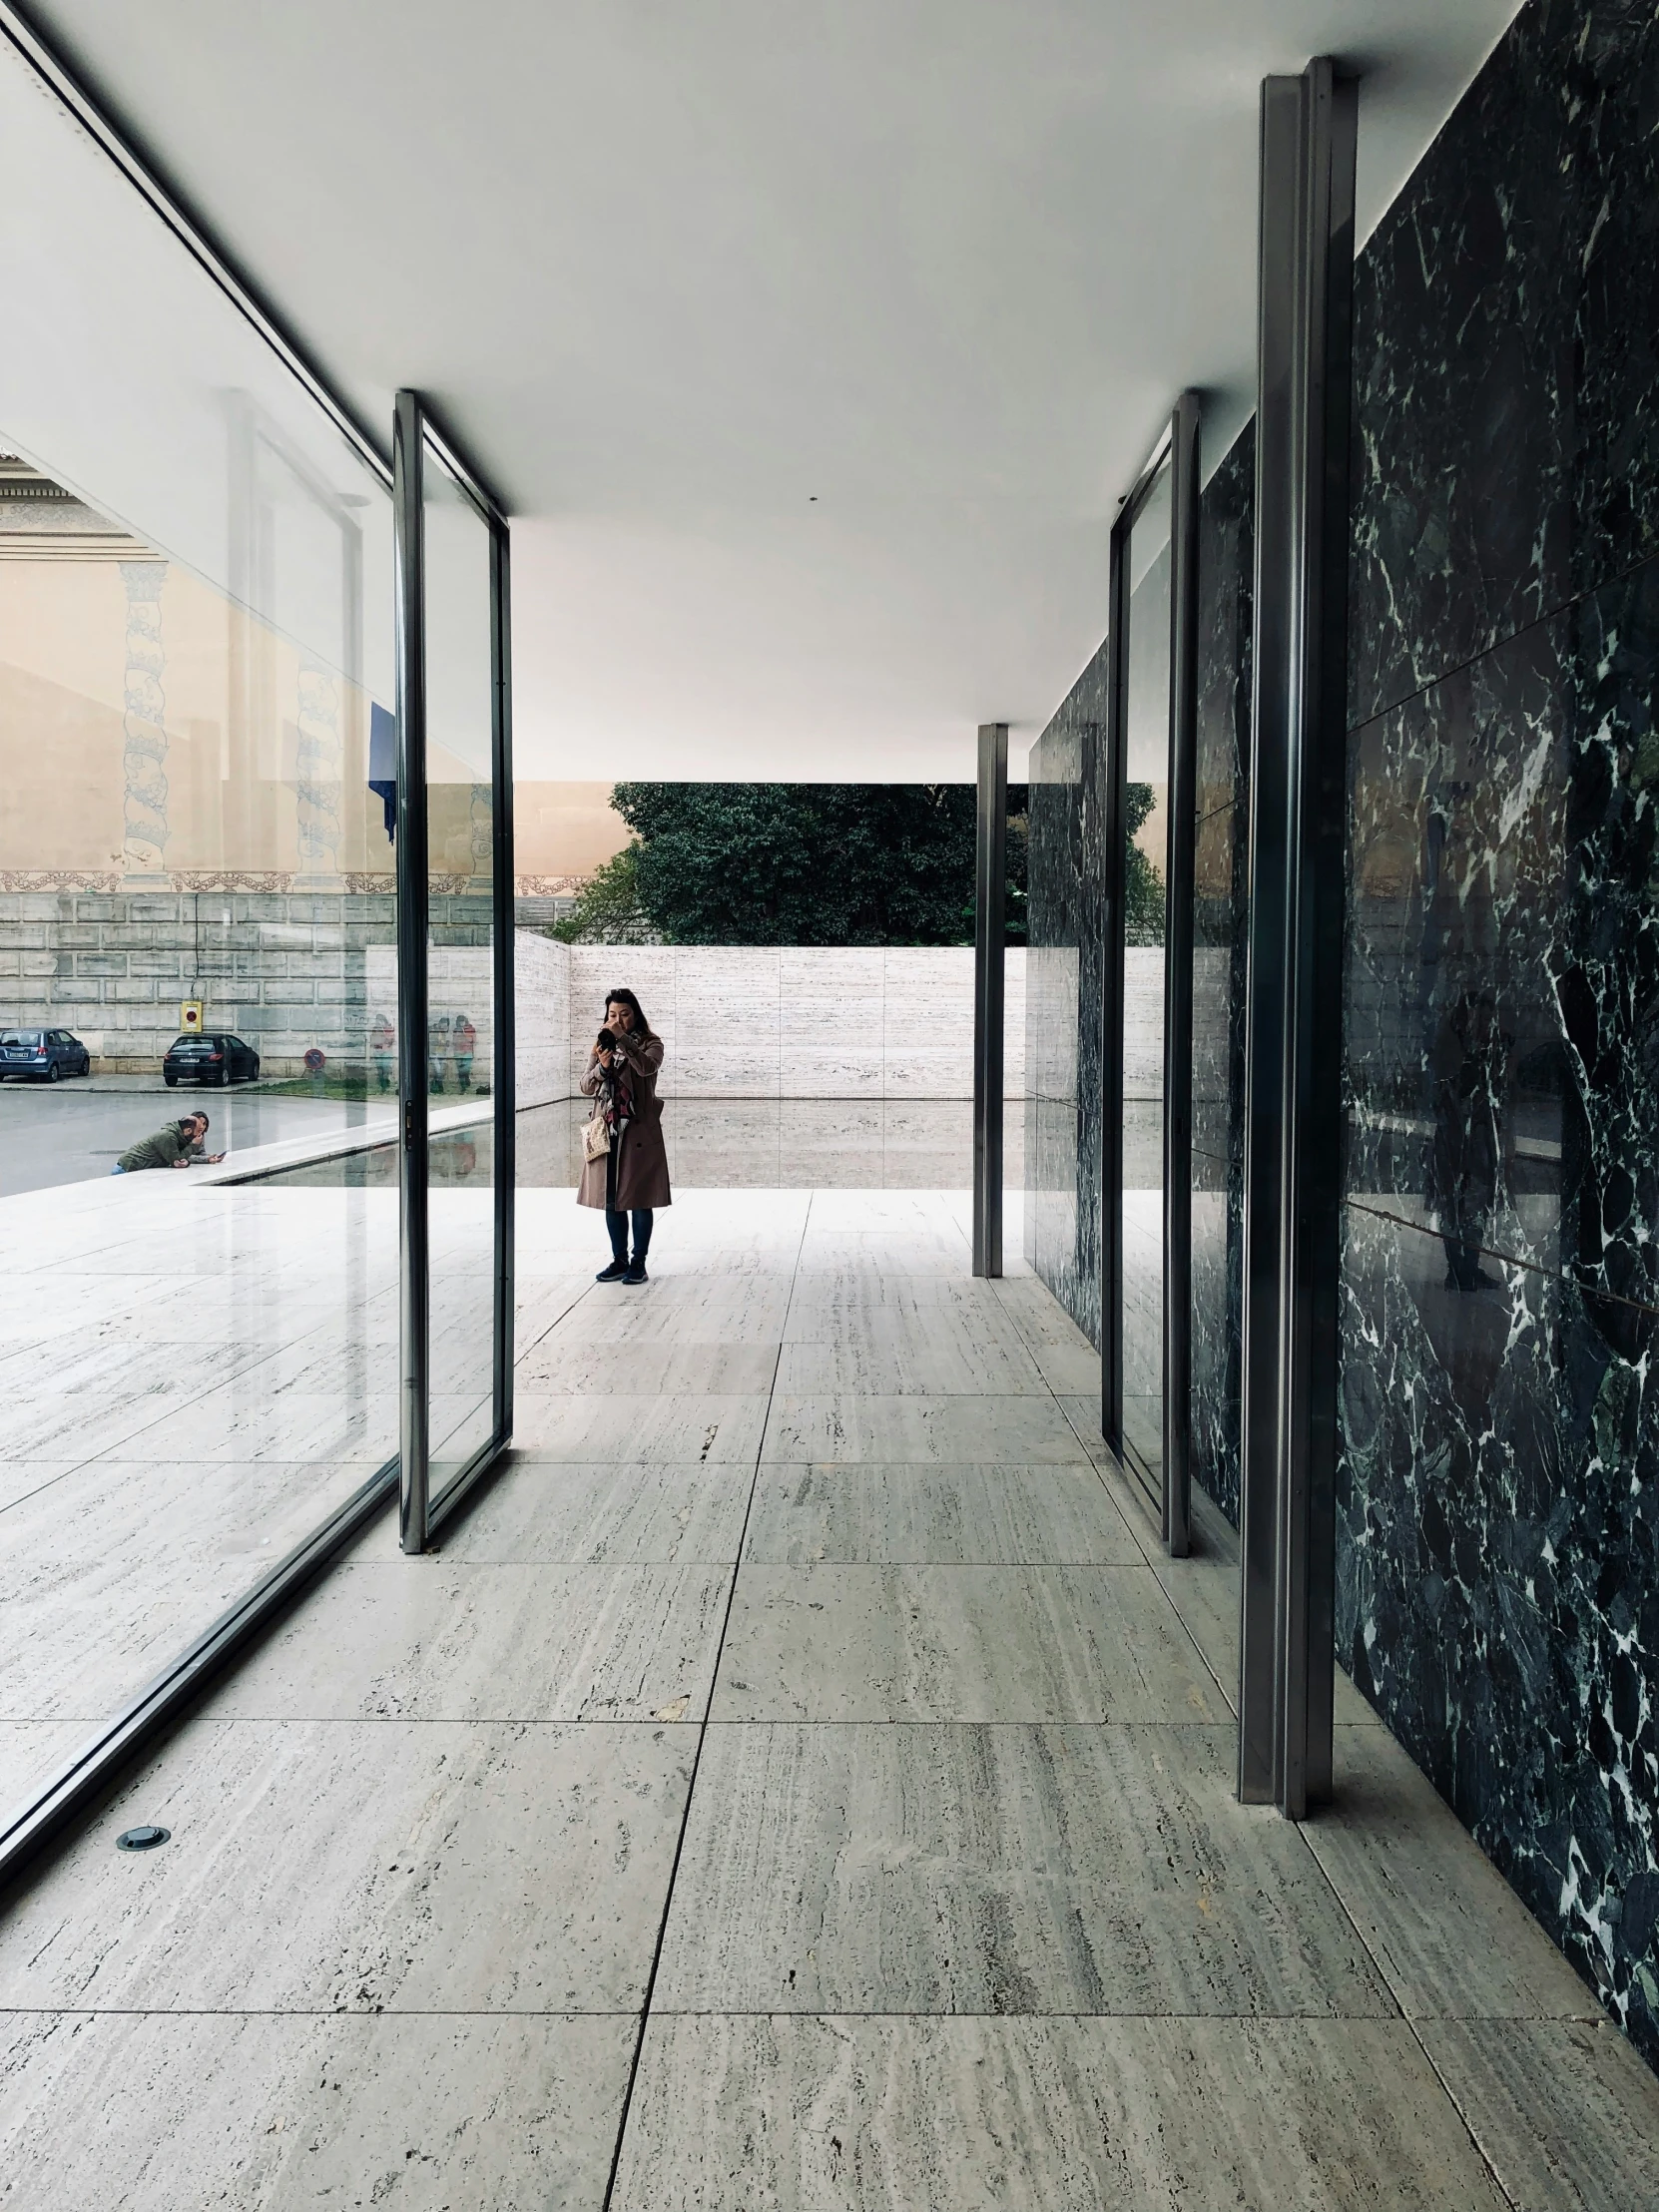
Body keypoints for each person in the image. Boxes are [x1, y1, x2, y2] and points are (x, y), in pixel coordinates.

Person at [579, 986, 670, 1283]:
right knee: (611, 1198)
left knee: (639, 1196)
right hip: (606, 1129)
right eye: (612, 1015)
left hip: (638, 1131)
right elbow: (585, 1085)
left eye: (624, 1015)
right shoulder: (600, 1044)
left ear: (636, 1015)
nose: (617, 1020)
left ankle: (638, 1262)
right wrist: (602, 1069)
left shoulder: (651, 1043)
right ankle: (618, 1259)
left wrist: (622, 1037)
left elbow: (645, 1068)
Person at [114, 1111, 225, 1173]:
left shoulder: (181, 1136)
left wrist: (207, 1157)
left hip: (136, 1168)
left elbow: (181, 1158)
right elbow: (177, 1160)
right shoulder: (169, 1137)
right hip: (127, 1168)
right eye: (197, 1131)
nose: (199, 1134)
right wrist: (193, 1145)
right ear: (188, 1130)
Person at [370, 1012, 395, 1095]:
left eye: (379, 1020)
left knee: (385, 1069)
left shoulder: (388, 1028)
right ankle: (382, 1087)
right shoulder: (375, 1029)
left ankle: (385, 1086)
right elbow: (372, 1040)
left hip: (386, 1052)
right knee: (380, 1070)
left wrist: (385, 1044)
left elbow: (391, 1040)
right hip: (377, 1052)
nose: (378, 1022)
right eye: (377, 1020)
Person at [452, 1012, 477, 1093]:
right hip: (458, 1052)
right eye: (460, 1022)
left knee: (465, 1070)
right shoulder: (456, 1030)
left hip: (468, 1052)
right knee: (460, 1071)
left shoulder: (471, 1030)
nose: (461, 1023)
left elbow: (473, 1041)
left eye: (462, 1021)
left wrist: (464, 1035)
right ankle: (463, 1088)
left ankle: (466, 1078)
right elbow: (454, 1041)